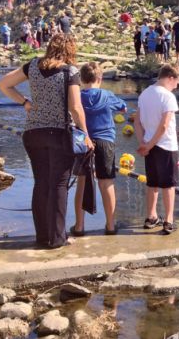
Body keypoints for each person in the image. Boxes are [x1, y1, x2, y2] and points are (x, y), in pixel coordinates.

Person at [0, 34, 93, 248]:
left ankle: (42, 236)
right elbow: (76, 108)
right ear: (71, 50)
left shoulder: (31, 66)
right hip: (59, 133)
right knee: (59, 185)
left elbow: (3, 84)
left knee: (41, 184)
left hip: (33, 133)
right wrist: (86, 134)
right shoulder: (70, 71)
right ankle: (57, 238)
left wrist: (25, 102)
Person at [72, 63, 127, 237]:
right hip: (106, 140)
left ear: (81, 79)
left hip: (83, 142)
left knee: (82, 182)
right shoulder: (107, 95)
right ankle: (110, 225)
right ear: (100, 78)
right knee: (106, 182)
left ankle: (79, 226)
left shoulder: (77, 96)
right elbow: (123, 107)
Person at [133, 64, 179, 235]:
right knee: (169, 185)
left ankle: (151, 216)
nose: (177, 86)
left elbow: (137, 122)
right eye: (177, 82)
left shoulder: (145, 93)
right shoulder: (168, 97)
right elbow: (164, 126)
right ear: (170, 77)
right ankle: (169, 220)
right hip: (166, 145)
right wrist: (149, 145)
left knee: (152, 182)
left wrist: (143, 143)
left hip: (148, 145)